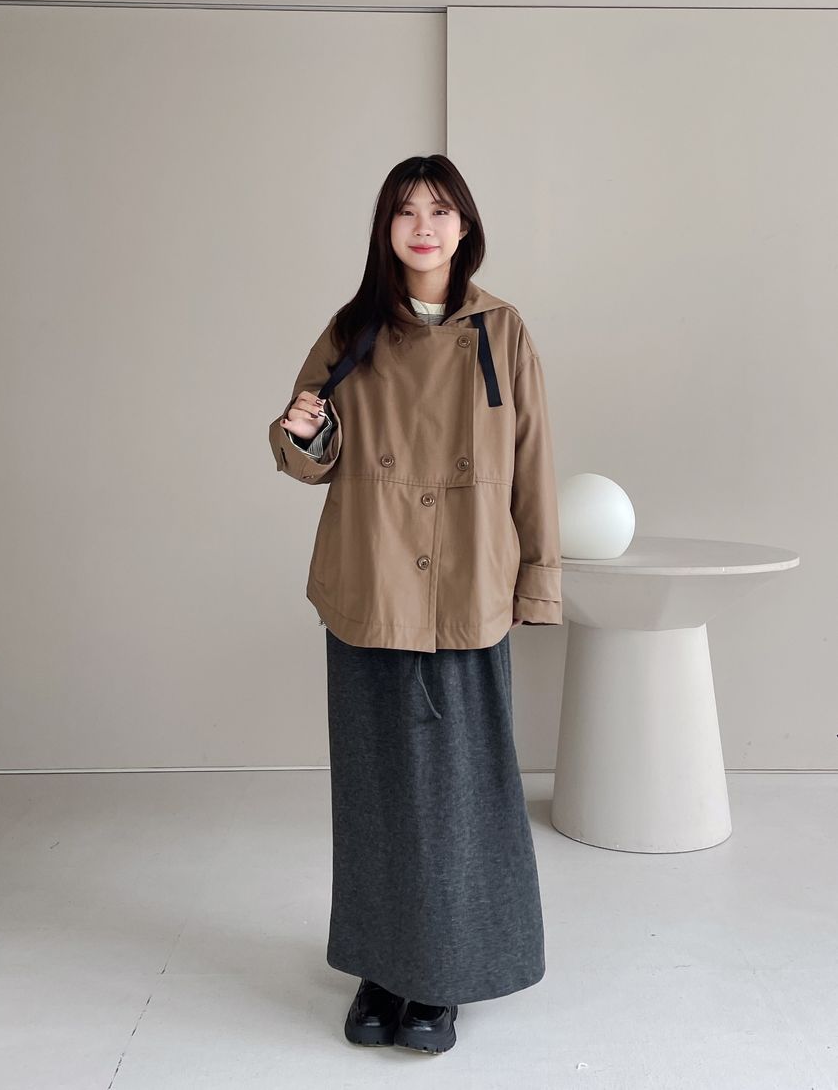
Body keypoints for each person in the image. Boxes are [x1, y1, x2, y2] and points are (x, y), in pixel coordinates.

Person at [269, 154, 563, 1055]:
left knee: (460, 797)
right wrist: (301, 432)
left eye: (440, 210)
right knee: (374, 795)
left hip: (465, 586)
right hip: (371, 582)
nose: (423, 226)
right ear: (386, 229)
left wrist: (537, 580)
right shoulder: (352, 327)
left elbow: (533, 462)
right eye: (405, 211)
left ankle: (441, 974)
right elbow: (306, 447)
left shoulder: (502, 329)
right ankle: (381, 968)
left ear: (465, 226)